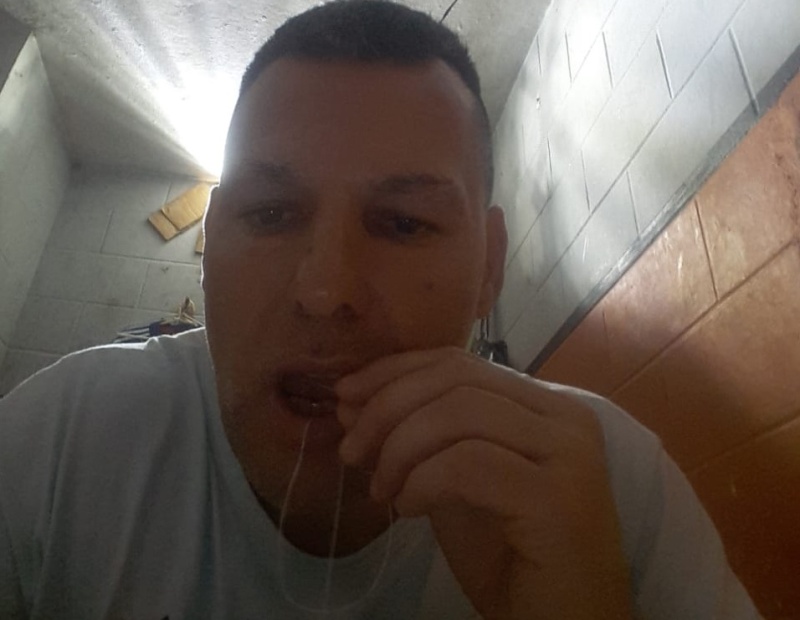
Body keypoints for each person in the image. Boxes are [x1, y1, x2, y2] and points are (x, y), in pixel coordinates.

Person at [0, 1, 759, 618]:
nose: (326, 292)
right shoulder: (61, 438)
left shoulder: (611, 487)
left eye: (402, 224)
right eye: (271, 214)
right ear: (212, 243)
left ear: (490, 267)